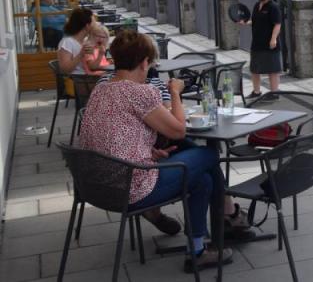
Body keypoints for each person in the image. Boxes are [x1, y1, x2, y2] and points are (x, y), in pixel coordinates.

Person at [78, 30, 233, 272]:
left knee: (201, 180)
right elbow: (178, 130)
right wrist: (175, 92)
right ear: (144, 62)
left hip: (95, 186)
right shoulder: (139, 92)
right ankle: (226, 221)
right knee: (210, 156)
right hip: (129, 188)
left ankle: (199, 247)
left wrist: (147, 152)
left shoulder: (101, 89)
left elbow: (114, 136)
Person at [237, 0, 282, 98]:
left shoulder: (273, 6)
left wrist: (273, 39)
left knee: (272, 69)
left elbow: (277, 24)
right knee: (255, 69)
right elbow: (255, 21)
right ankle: (256, 92)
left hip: (270, 43)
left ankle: (274, 93)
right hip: (257, 42)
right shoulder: (257, 5)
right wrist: (245, 22)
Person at [57, 8, 95, 80]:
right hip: (78, 82)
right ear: (87, 26)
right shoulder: (67, 42)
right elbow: (65, 70)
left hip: (89, 79)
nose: (96, 25)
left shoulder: (85, 42)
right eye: (94, 22)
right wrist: (81, 55)